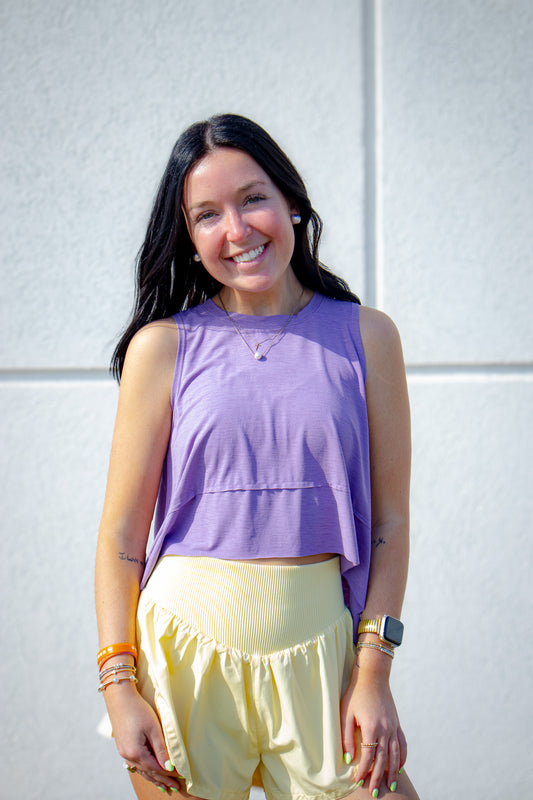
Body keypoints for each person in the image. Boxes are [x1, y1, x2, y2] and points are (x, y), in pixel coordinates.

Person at [95, 113, 420, 800]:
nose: (237, 230)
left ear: (291, 202)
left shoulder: (366, 336)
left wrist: (374, 671)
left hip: (323, 654)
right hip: (182, 656)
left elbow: (391, 523)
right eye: (207, 215)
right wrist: (119, 685)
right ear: (189, 239)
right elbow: (121, 537)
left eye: (252, 199)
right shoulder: (163, 347)